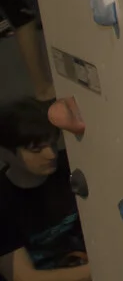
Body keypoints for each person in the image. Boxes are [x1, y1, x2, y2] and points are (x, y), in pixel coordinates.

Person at [0, 98, 90, 281]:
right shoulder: (3, 200)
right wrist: (98, 268)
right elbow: (23, 277)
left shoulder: (71, 165)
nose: (51, 154)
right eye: (36, 149)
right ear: (6, 153)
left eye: (53, 143)